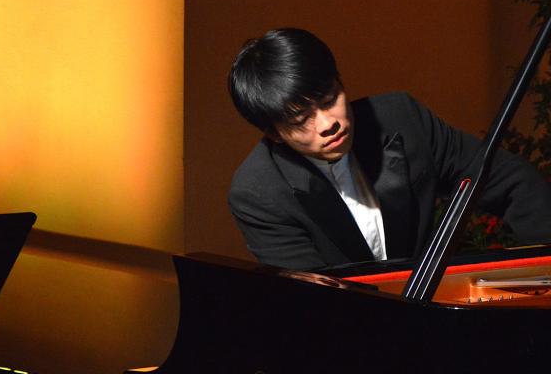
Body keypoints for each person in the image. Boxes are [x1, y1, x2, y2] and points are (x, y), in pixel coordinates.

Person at [227, 27, 551, 271]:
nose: (328, 123)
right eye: (301, 120)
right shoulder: (257, 192)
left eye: (330, 100)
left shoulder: (400, 117)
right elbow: (313, 297)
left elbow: (507, 179)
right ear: (274, 134)